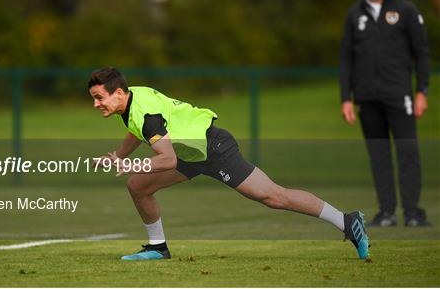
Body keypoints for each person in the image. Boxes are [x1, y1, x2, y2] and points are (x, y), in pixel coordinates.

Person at [88, 67, 369, 261]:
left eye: (99, 98)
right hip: (190, 152)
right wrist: (121, 157)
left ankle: (346, 221)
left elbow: (167, 159)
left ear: (119, 93)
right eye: (94, 99)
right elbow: (138, 131)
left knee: (273, 196)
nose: (96, 104)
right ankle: (158, 248)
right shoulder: (131, 99)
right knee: (138, 187)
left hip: (212, 147)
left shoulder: (144, 112)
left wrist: (132, 165)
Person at [339, 0, 431, 227]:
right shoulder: (355, 14)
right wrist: (346, 97)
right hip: (367, 98)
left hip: (398, 95)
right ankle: (387, 212)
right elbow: (346, 58)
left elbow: (422, 54)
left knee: (407, 154)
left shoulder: (407, 11)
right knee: (379, 156)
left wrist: (422, 91)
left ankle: (413, 212)